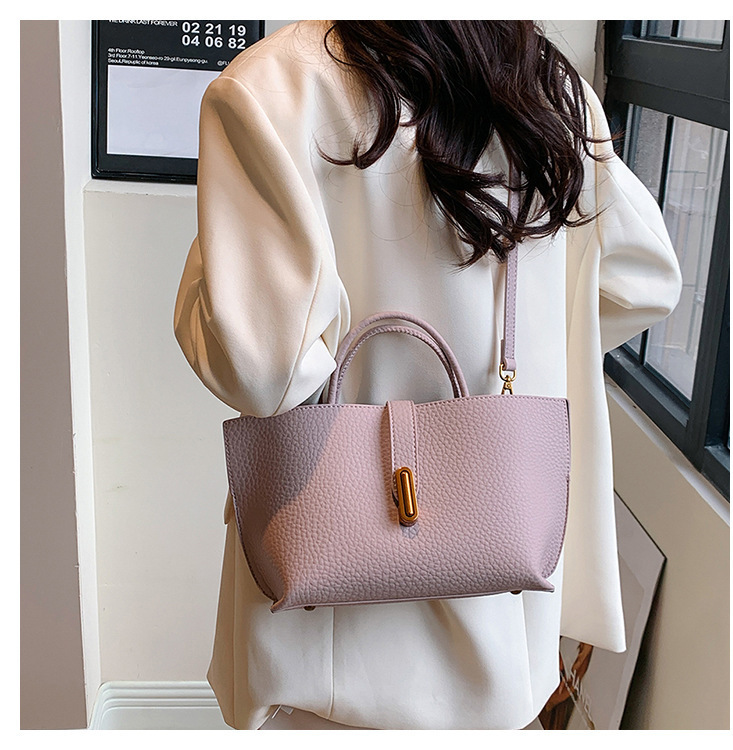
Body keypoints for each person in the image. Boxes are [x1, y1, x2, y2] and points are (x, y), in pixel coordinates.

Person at [173, 20, 682, 730]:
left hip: (323, 671)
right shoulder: (547, 89)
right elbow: (643, 281)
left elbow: (259, 367)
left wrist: (207, 278)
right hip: (500, 649)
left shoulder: (275, 83)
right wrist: (541, 333)